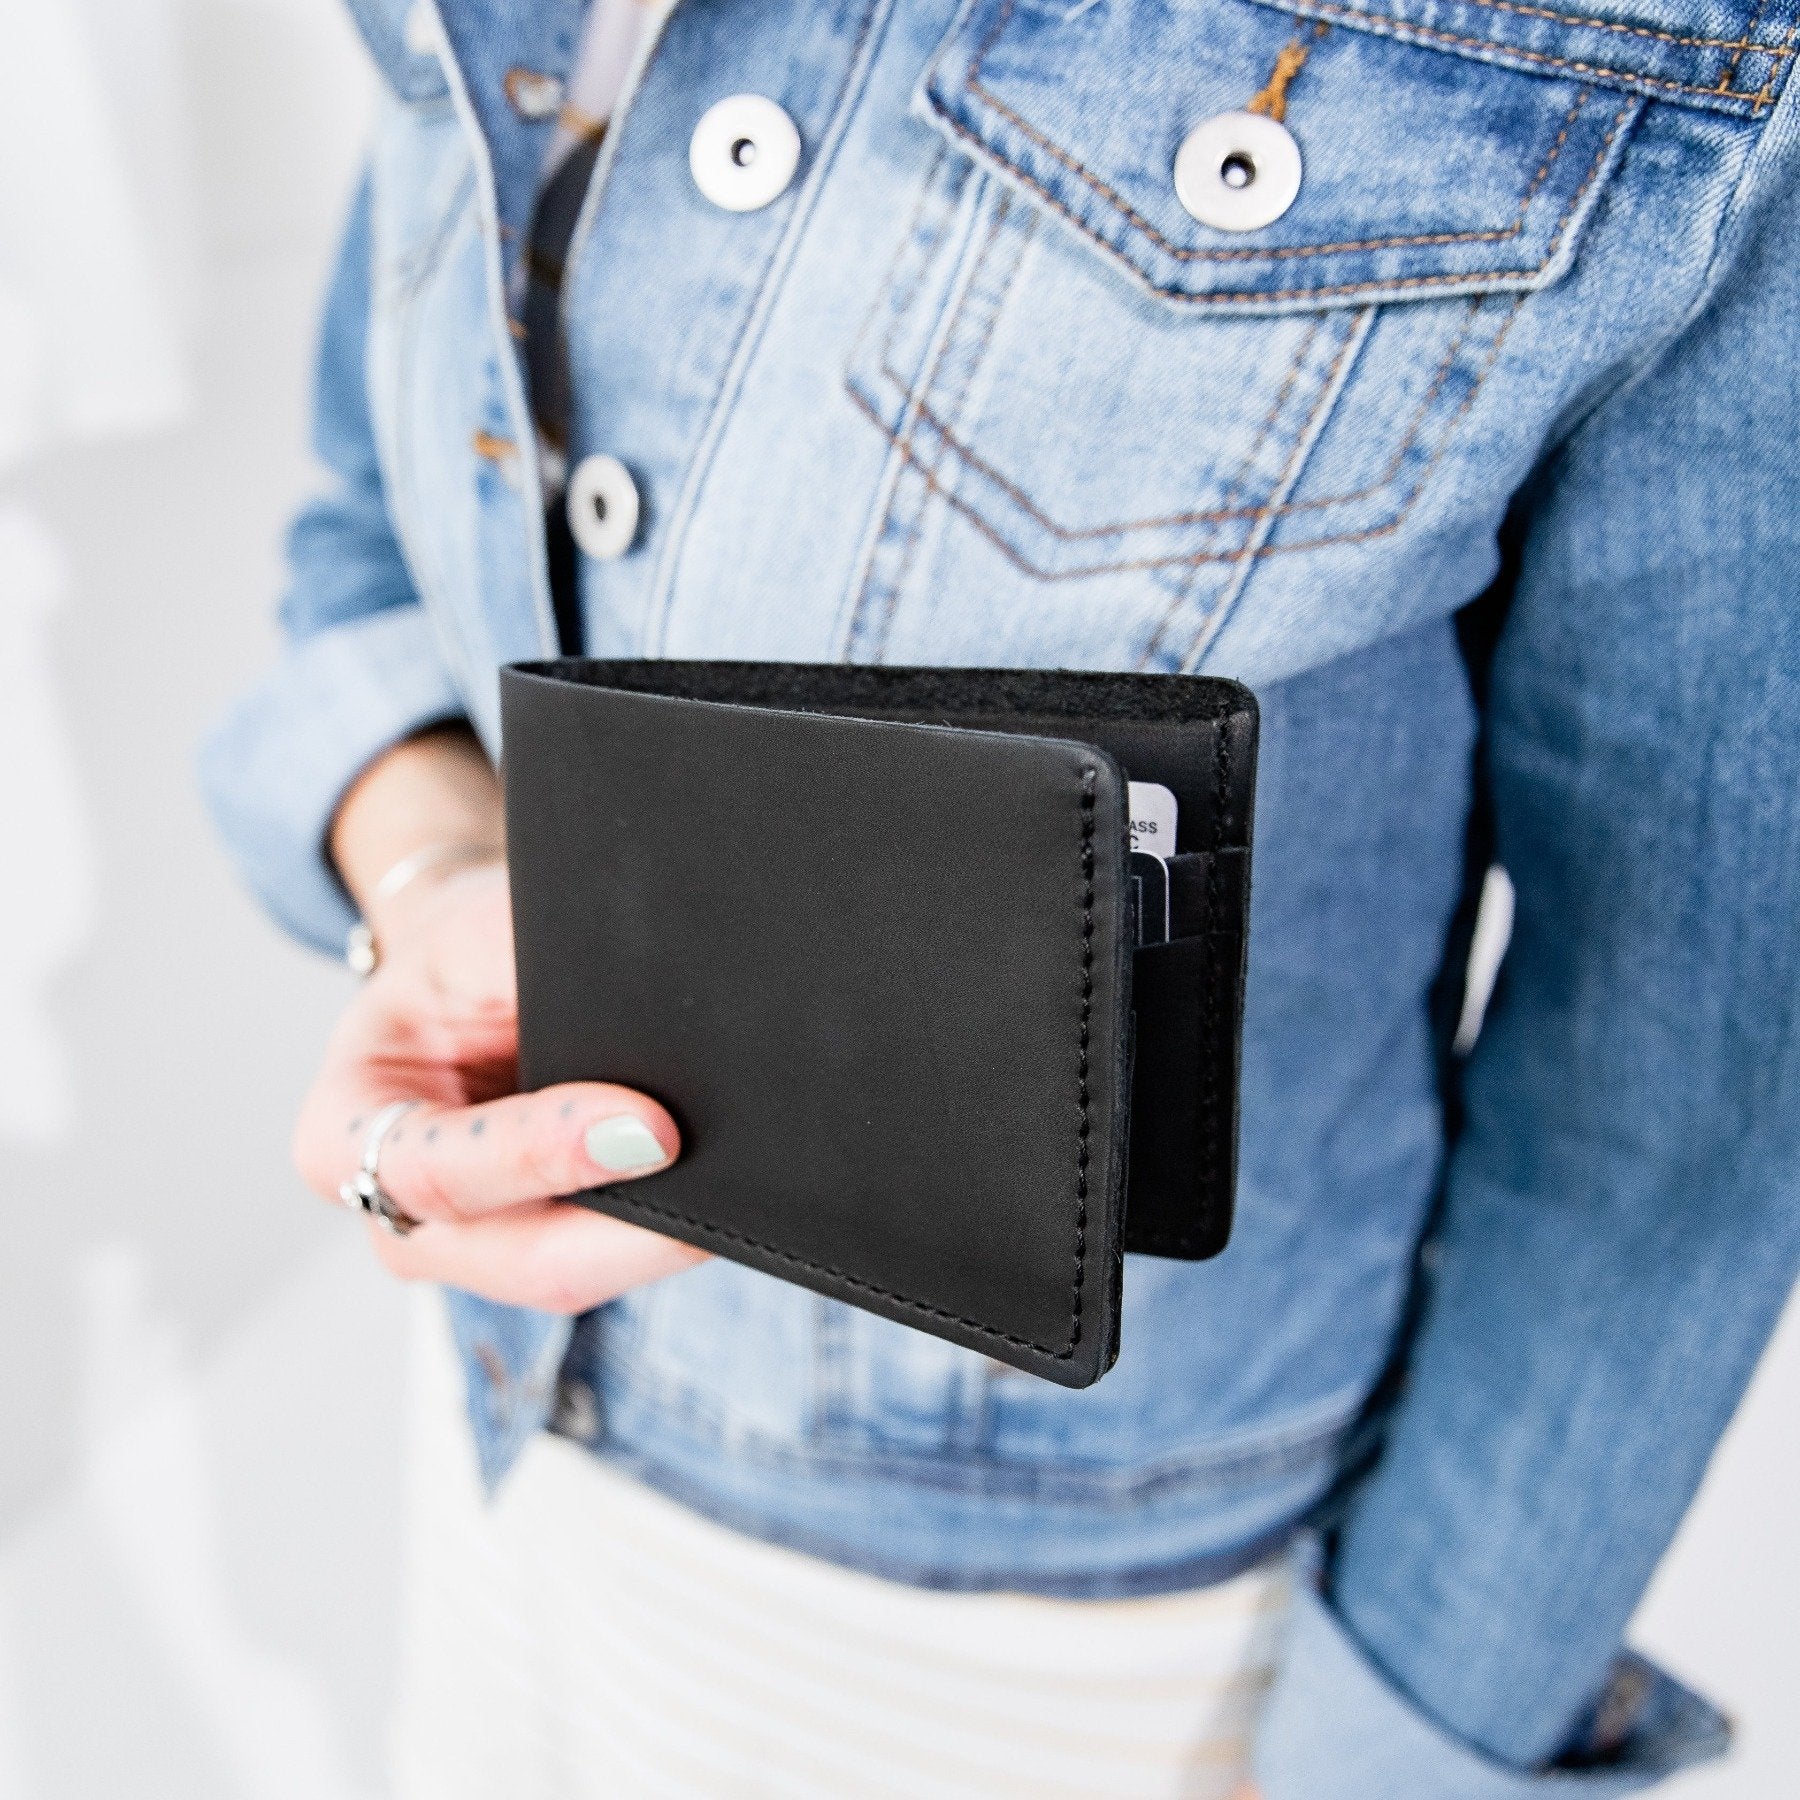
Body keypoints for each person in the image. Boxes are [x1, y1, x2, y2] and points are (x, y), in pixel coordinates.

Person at [202, 0, 1800, 1790]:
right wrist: (432, 876)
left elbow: (1687, 1068)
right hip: (502, 1443)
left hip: (1073, 1651)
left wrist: (1402, 1754)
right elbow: (365, 525)